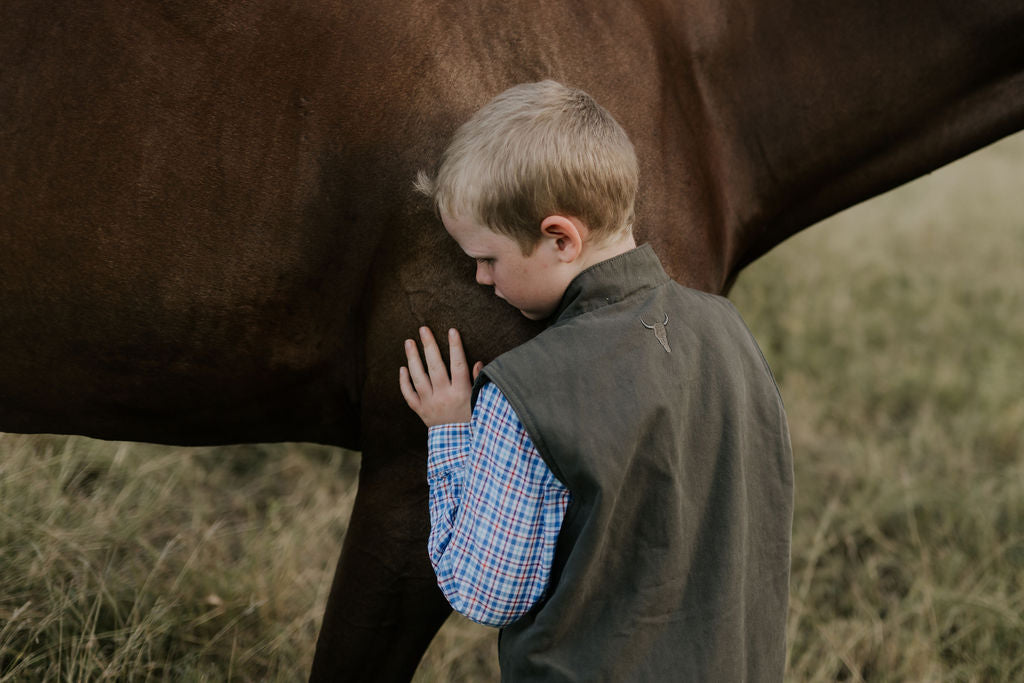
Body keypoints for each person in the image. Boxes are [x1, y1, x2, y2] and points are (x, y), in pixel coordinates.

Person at [399, 80, 793, 681]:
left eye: (487, 258)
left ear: (561, 238)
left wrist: (451, 431)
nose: (481, 279)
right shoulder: (728, 328)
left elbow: (487, 592)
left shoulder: (524, 392)